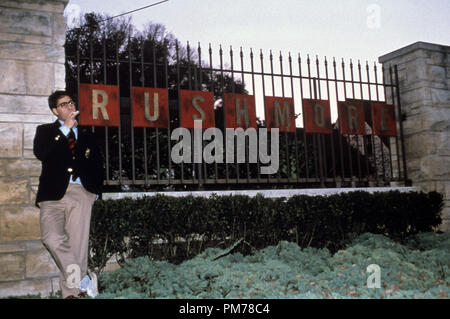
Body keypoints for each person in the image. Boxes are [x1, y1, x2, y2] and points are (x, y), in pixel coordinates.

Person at [33, 90, 104, 299]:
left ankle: (72, 293)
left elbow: (98, 164)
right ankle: (84, 280)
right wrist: (65, 130)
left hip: (82, 193)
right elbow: (42, 153)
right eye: (64, 104)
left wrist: (95, 192)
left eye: (71, 102)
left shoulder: (88, 135)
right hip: (52, 195)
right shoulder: (46, 131)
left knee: (77, 246)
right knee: (52, 239)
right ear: (55, 111)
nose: (70, 106)